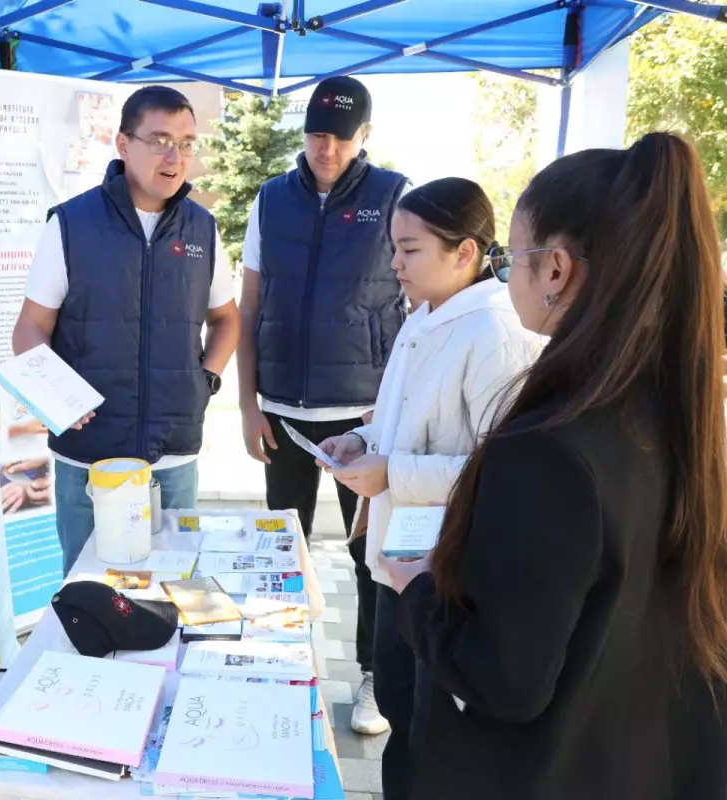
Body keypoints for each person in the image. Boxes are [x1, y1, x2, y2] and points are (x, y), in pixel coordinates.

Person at [384, 133, 727, 799]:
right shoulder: (678, 417)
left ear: (557, 270)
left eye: (514, 255)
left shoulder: (548, 450)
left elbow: (504, 678)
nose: (507, 272)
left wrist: (417, 589)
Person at [316, 178, 544, 799]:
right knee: (399, 704)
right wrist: (359, 444)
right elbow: (401, 416)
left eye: (410, 249)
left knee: (432, 730)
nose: (395, 263)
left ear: (465, 252)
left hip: (448, 568)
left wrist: (393, 473)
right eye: (394, 247)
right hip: (402, 560)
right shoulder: (425, 315)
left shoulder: (495, 332)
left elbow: (499, 468)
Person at [236, 75, 408, 736]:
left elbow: (414, 302)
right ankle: (283, 662)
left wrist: (389, 413)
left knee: (370, 555)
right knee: (283, 550)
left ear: (364, 137)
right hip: (282, 409)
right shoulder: (270, 199)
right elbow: (250, 306)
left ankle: (374, 676)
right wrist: (249, 407)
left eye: (340, 136)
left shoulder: (396, 195)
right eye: (315, 134)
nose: (326, 148)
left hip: (362, 416)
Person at [12, 85, 240, 573]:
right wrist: (55, 399)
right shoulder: (71, 224)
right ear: (122, 144)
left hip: (174, 458)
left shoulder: (203, 229)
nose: (174, 156)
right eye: (159, 140)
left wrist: (206, 381)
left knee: (172, 589)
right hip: (88, 461)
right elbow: (30, 328)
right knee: (88, 593)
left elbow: (226, 320)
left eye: (185, 142)